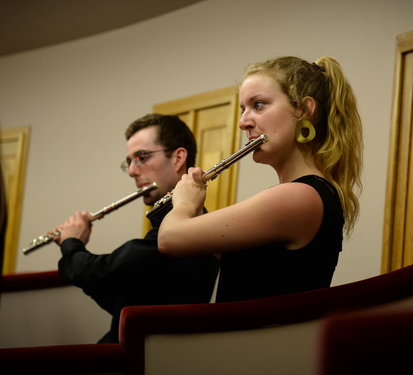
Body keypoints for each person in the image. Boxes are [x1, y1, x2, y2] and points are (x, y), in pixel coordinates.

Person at [157, 56, 363, 302]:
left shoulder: (298, 197)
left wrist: (183, 204)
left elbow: (169, 238)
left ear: (304, 110)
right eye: (243, 109)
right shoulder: (299, 194)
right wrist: (196, 209)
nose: (244, 122)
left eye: (259, 105)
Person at [55, 114, 219, 343]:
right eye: (129, 161)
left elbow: (103, 274)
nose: (132, 170)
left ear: (178, 158)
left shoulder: (185, 231)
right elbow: (121, 297)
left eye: (142, 157)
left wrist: (71, 243)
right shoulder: (177, 225)